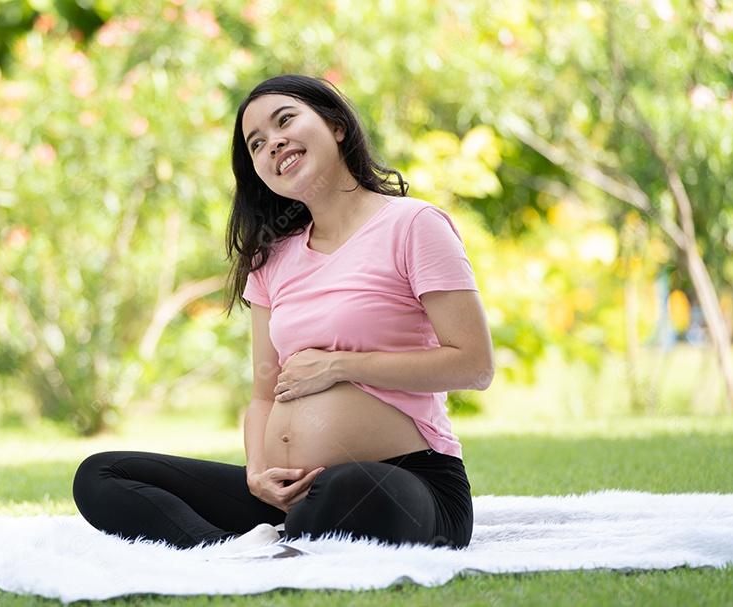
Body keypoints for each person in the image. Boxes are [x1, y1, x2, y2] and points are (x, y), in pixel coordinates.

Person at [72, 74, 493, 551]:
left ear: (336, 124)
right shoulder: (272, 258)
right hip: (288, 496)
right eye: (256, 144)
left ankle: (286, 542)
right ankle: (231, 554)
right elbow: (263, 395)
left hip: (409, 483)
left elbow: (474, 365)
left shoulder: (414, 225)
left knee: (341, 488)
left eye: (285, 121)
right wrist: (256, 475)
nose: (273, 144)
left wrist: (341, 365)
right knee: (100, 474)